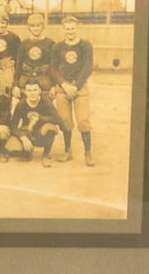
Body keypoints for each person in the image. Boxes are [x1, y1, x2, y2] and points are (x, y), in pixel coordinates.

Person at [51, 15, 96, 166]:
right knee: (65, 121)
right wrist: (64, 85)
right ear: (63, 30)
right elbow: (53, 68)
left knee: (83, 120)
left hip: (79, 87)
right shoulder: (58, 47)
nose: (70, 31)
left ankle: (88, 153)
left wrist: (76, 86)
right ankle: (67, 150)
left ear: (77, 28)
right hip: (63, 88)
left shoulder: (85, 45)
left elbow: (88, 67)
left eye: (72, 28)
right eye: (67, 29)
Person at [8, 80, 66, 166]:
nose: (32, 93)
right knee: (11, 148)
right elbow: (13, 125)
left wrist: (40, 118)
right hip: (27, 132)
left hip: (41, 132)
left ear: (40, 91)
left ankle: (46, 154)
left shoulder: (46, 102)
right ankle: (27, 153)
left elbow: (58, 119)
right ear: (25, 92)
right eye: (29, 90)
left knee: (50, 128)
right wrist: (23, 137)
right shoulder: (21, 104)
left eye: (35, 90)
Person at [15, 13, 56, 104]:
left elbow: (54, 66)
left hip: (44, 79)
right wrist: (16, 85)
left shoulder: (50, 43)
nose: (36, 28)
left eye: (38, 25)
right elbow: (18, 65)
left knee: (45, 108)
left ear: (43, 26)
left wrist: (54, 85)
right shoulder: (23, 43)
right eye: (32, 26)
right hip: (26, 78)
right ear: (29, 27)